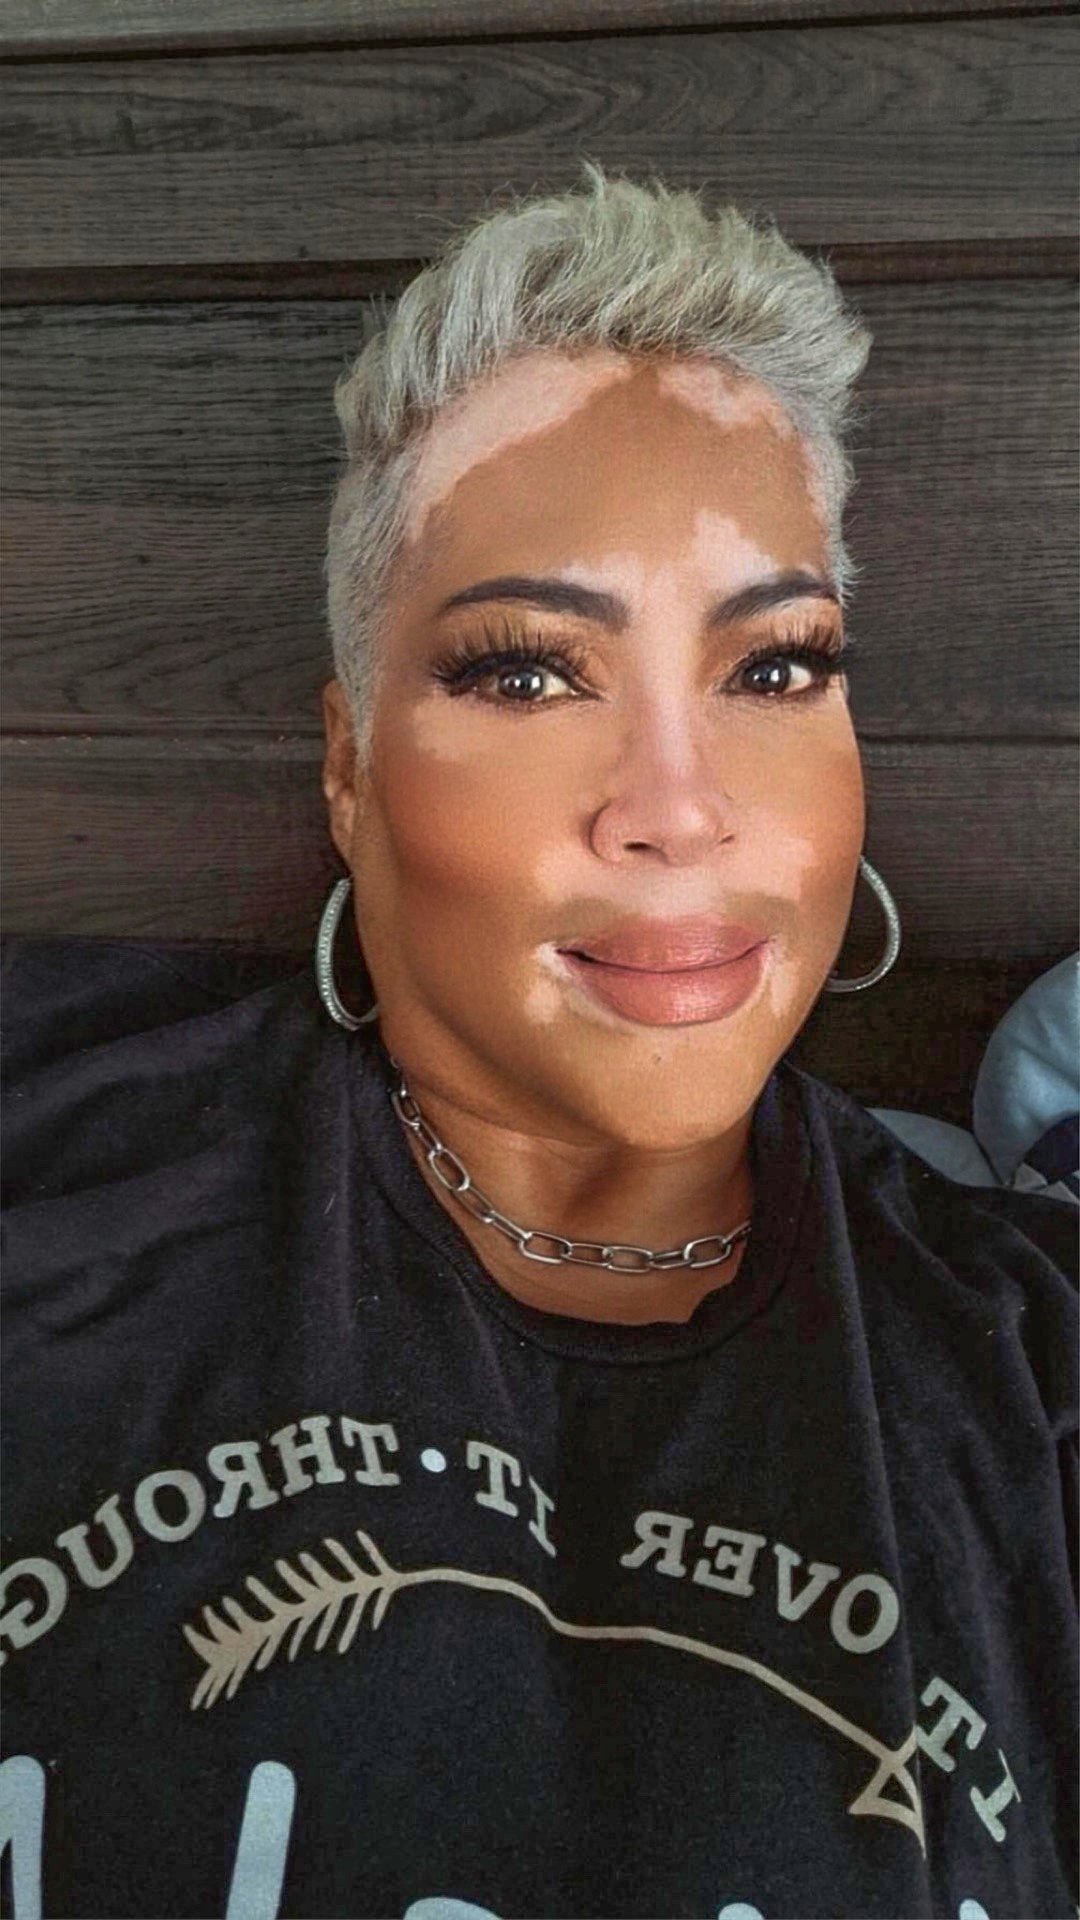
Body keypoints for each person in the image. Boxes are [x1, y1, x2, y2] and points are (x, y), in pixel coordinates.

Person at [1, 162, 1075, 1920]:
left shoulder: (1027, 1363)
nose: (682, 808)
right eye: (525, 671)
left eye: (777, 667)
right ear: (350, 770)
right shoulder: (53, 1166)